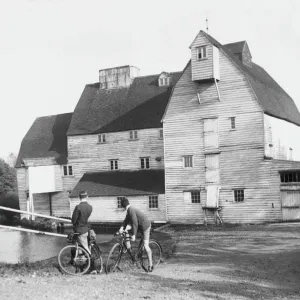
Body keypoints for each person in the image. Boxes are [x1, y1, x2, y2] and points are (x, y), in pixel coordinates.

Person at [119, 197, 153, 272]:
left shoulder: (131, 210)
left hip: (145, 226)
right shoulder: (129, 210)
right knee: (126, 231)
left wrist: (134, 235)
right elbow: (126, 220)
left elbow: (135, 223)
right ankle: (130, 250)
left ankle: (150, 265)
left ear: (123, 206)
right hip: (140, 226)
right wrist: (122, 228)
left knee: (146, 245)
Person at [71, 190, 93, 255]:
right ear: (87, 197)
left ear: (79, 197)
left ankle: (90, 259)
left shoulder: (78, 207)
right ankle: (81, 258)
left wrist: (75, 222)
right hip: (86, 229)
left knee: (84, 247)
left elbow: (73, 220)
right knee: (83, 245)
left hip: (79, 230)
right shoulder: (90, 207)